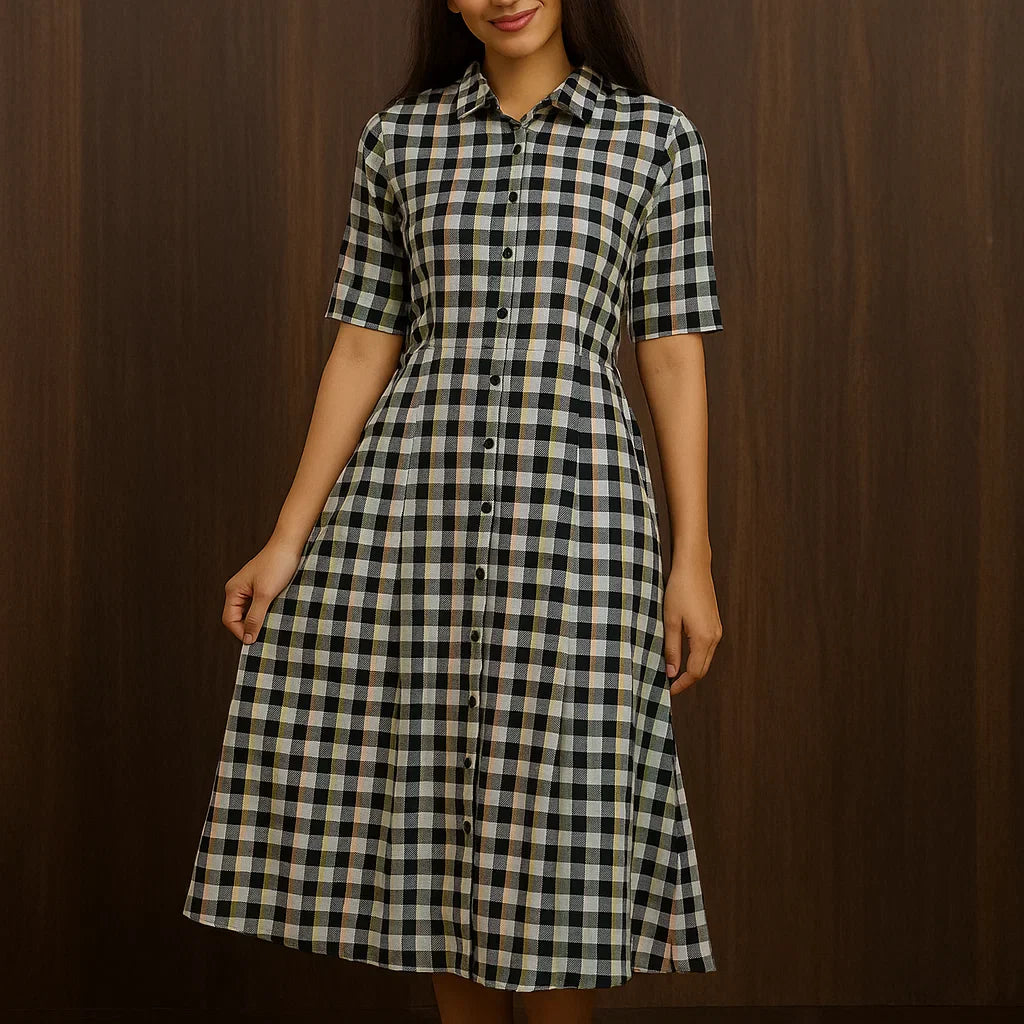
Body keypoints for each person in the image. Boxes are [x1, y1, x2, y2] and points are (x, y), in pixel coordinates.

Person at [182, 1, 724, 1021]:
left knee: (558, 831)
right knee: (439, 832)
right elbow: (362, 343)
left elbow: (671, 350)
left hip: (580, 518)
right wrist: (286, 539)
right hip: (412, 513)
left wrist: (689, 559)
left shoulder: (656, 139)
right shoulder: (399, 139)